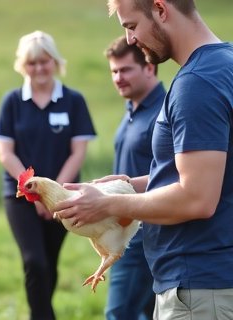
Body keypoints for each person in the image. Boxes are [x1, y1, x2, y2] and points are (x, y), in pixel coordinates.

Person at [54, 1, 233, 319]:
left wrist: (108, 206)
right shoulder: (225, 64)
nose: (131, 40)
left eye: (131, 26)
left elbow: (197, 198)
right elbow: (210, 174)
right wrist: (126, 186)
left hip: (200, 290)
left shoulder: (196, 84)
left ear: (161, 9)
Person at [0, 30, 96, 320]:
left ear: (55, 62)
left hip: (63, 197)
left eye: (44, 61)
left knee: (49, 262)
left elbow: (77, 152)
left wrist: (53, 194)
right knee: (34, 261)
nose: (38, 68)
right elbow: (6, 153)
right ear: (22, 65)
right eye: (32, 63)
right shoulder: (11, 102)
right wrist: (34, 192)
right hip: (20, 196)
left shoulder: (74, 101)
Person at [103, 35, 166, 320]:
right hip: (126, 233)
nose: (118, 78)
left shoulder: (163, 112)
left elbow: (171, 175)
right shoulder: (132, 109)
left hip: (144, 235)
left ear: (149, 68)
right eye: (114, 71)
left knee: (119, 313)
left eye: (125, 69)